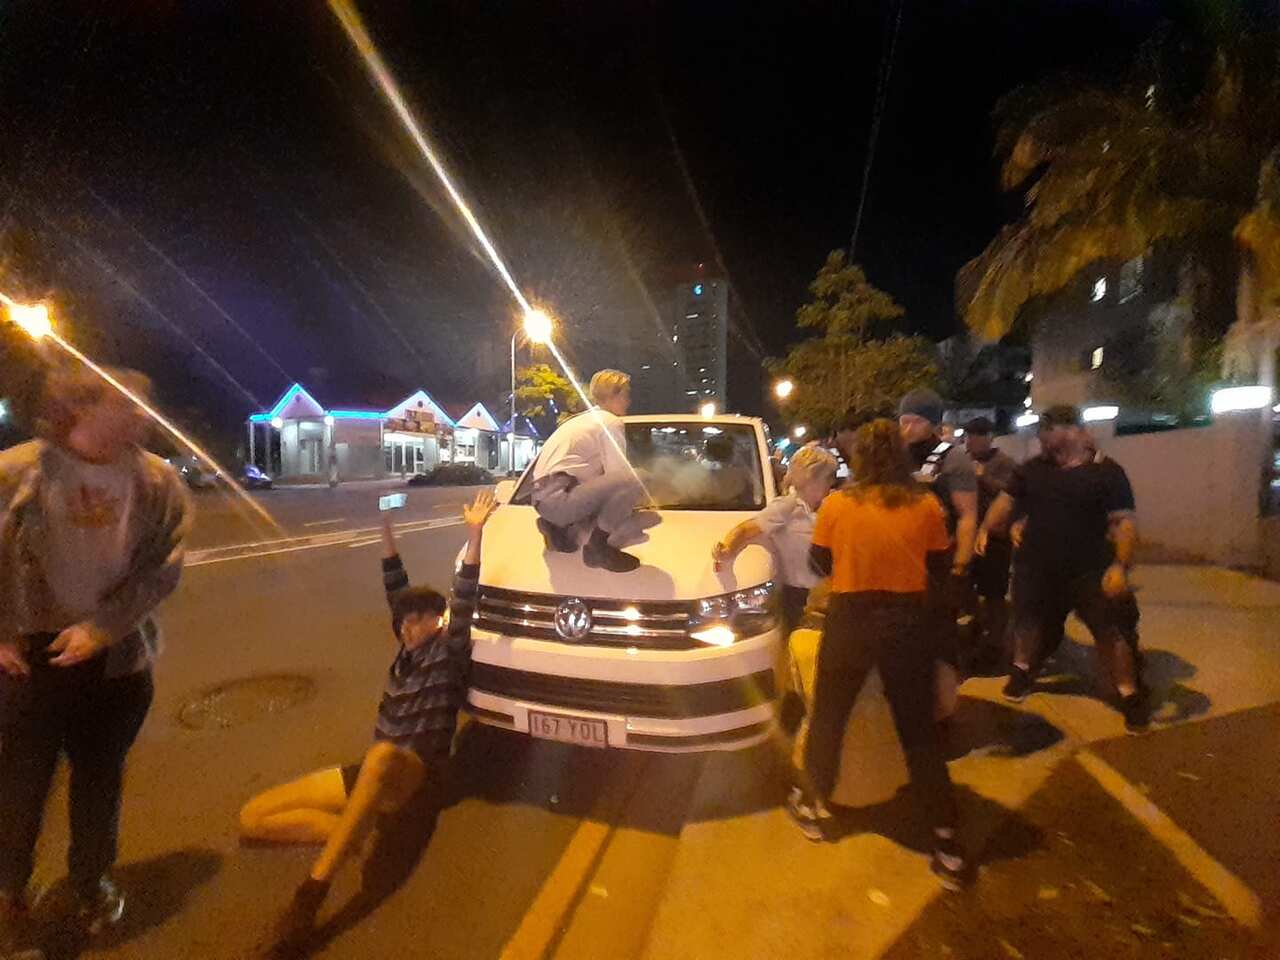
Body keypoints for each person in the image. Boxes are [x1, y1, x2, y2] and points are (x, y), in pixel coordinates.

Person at [243, 489, 497, 957]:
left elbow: (465, 596)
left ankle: (309, 898)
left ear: (437, 622)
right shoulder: (405, 651)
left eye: (418, 620)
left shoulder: (449, 651)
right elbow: (393, 583)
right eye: (402, 622)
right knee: (254, 817)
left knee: (381, 754)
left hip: (415, 775)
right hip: (373, 773)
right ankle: (350, 834)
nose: (407, 628)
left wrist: (475, 533)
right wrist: (384, 527)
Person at [0, 365, 190, 948]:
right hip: (26, 656)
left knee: (99, 779)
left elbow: (164, 565)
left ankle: (89, 882)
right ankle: (10, 896)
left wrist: (104, 628)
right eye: (130, 403)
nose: (144, 415)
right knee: (20, 782)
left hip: (117, 658)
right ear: (80, 408)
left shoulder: (157, 482)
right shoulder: (16, 473)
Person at [790, 419, 968, 890]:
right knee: (919, 733)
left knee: (830, 716)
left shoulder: (838, 504)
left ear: (861, 458)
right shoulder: (926, 505)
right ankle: (946, 842)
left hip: (850, 620)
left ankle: (813, 806)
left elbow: (819, 564)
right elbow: (938, 570)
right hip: (906, 624)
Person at [977, 405, 1149, 732]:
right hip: (1037, 568)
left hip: (1090, 570)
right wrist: (995, 525)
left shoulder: (1107, 473)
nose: (1041, 440)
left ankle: (1130, 694)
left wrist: (1119, 565)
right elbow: (1005, 507)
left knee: (1112, 634)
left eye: (1047, 431)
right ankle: (1022, 671)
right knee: (1027, 623)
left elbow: (1124, 523)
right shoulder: (1031, 469)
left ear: (1071, 430)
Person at [897, 388, 978, 704]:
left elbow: (968, 516)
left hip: (939, 564)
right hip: (901, 563)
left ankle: (943, 708)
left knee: (941, 640)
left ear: (933, 423)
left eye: (916, 421)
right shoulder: (896, 455)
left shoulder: (953, 457)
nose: (908, 429)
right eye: (904, 421)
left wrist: (960, 567)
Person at [531, 369, 650, 573]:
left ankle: (557, 527)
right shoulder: (609, 422)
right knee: (638, 477)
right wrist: (640, 502)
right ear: (614, 394)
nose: (628, 401)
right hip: (564, 499)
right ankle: (598, 547)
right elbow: (619, 473)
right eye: (626, 394)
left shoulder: (579, 421)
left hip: (541, 500)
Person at [711, 445, 839, 635]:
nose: (831, 483)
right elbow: (746, 529)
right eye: (828, 477)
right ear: (810, 478)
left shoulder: (828, 507)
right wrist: (728, 549)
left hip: (826, 594)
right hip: (797, 597)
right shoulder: (786, 507)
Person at [962, 417, 1017, 666]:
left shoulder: (1005, 463)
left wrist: (983, 476)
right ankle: (975, 629)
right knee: (963, 585)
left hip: (995, 537)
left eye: (979, 435)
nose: (973, 440)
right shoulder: (960, 459)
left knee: (994, 592)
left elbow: (1010, 495)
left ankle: (995, 643)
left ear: (989, 437)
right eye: (970, 435)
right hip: (965, 534)